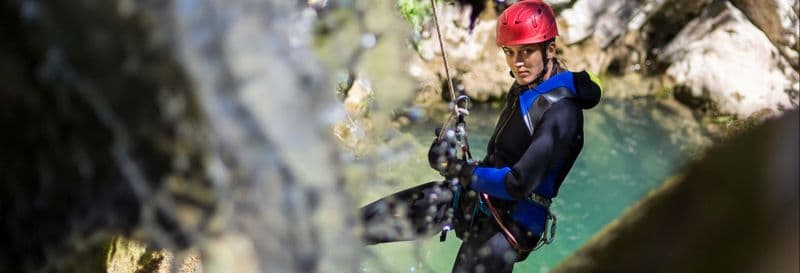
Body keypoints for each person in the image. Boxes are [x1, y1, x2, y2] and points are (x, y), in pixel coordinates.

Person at [360, 1, 602, 272]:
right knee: (366, 222)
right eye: (509, 52)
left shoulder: (563, 113)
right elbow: (501, 155)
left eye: (527, 51)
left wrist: (456, 169)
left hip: (511, 225)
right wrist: (450, 149)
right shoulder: (529, 84)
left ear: (551, 50)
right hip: (483, 198)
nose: (517, 62)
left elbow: (517, 183)